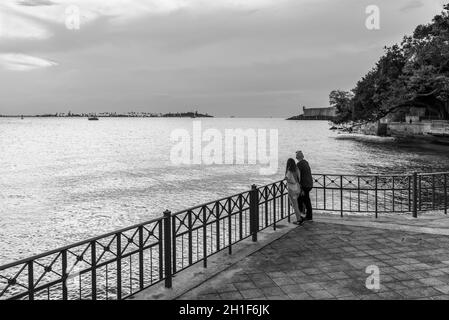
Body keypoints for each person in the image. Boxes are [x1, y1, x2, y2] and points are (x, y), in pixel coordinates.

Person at [285, 158, 305, 225]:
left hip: (292, 189)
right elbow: (299, 178)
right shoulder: (297, 169)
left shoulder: (289, 171)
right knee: (295, 204)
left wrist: (286, 179)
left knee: (295, 205)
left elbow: (287, 179)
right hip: (298, 188)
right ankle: (300, 216)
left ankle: (299, 220)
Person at [296, 151, 313, 222]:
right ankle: (307, 215)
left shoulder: (299, 164)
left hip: (304, 185)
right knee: (306, 200)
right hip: (309, 184)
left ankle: (302, 216)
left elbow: (298, 176)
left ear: (296, 157)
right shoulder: (306, 162)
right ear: (303, 157)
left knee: (301, 200)